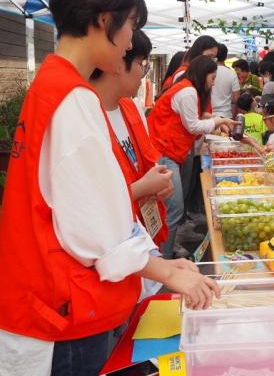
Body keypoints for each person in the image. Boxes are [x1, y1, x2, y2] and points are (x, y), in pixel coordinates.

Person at [0, 0, 219, 376]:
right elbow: (95, 227)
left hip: (48, 304)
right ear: (104, 19)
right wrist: (167, 272)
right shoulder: (72, 96)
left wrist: (163, 266)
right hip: (61, 313)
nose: (129, 41)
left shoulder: (52, 85)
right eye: (130, 25)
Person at [148, 56, 237, 258]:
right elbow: (193, 125)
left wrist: (217, 120)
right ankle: (164, 257)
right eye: (213, 78)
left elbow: (195, 118)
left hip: (168, 152)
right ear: (203, 74)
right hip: (164, 152)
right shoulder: (188, 91)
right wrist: (218, 120)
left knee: (172, 208)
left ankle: (165, 251)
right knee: (174, 208)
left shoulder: (188, 89)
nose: (214, 83)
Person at [90, 30, 172, 248]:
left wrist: (158, 184)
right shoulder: (86, 115)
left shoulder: (131, 107)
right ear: (117, 61)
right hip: (112, 242)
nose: (143, 74)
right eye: (141, 64)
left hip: (141, 233)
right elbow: (86, 202)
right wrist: (142, 188)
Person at [211, 43, 240, 119]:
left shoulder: (208, 72)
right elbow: (236, 98)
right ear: (226, 57)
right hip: (226, 115)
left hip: (210, 115)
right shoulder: (232, 73)